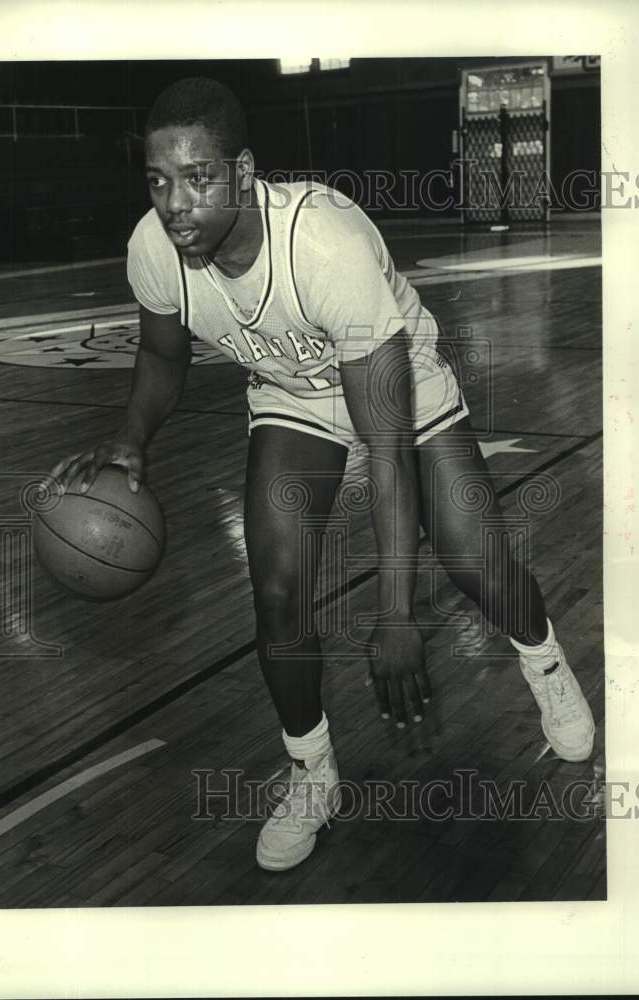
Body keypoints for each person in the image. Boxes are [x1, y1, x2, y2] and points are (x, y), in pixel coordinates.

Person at [51, 77, 595, 873]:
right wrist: (133, 439)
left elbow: (384, 446)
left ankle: (543, 661)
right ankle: (312, 772)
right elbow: (162, 353)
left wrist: (395, 615)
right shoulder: (153, 249)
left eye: (197, 178)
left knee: (478, 564)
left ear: (242, 172)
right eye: (158, 181)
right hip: (289, 396)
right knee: (275, 589)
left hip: (394, 379)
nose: (176, 203)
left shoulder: (324, 245)